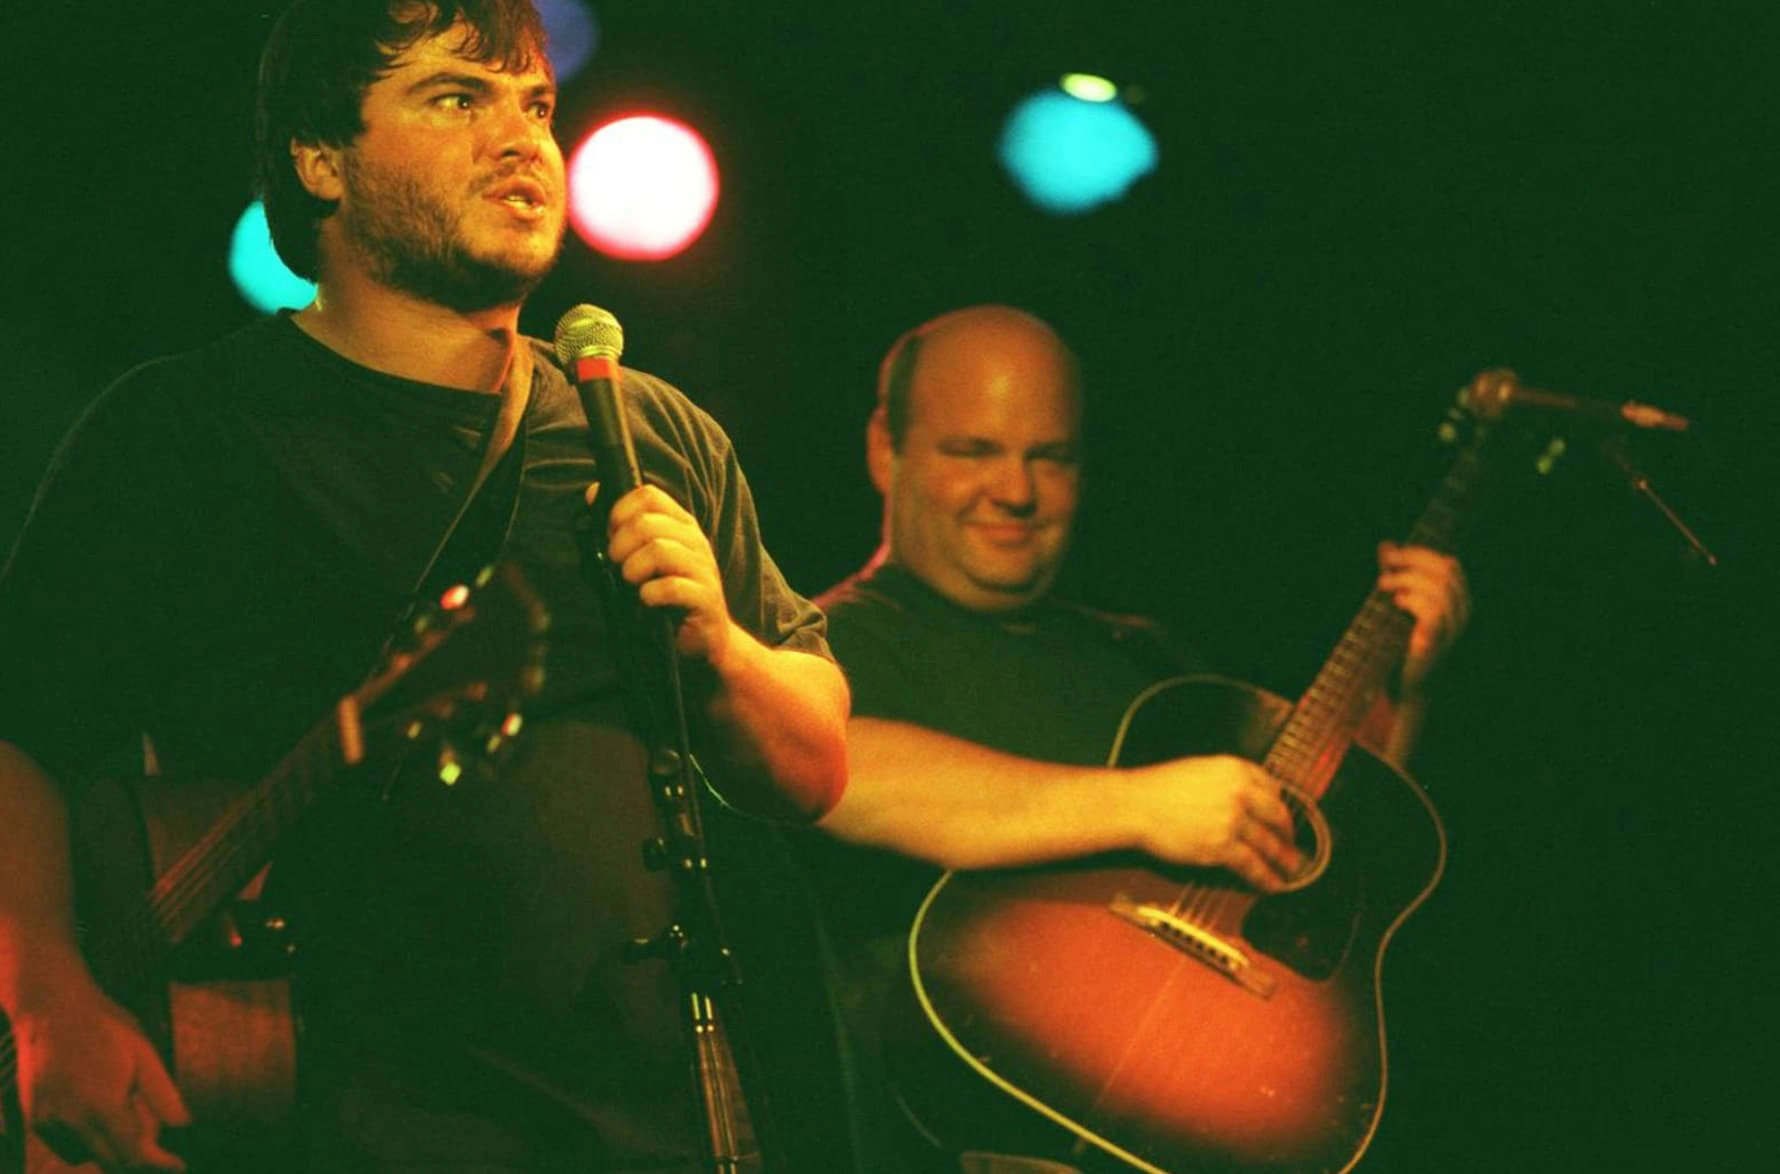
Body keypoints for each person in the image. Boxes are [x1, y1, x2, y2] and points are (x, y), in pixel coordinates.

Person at [0, 2, 850, 1172]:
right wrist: (51, 1001)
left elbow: (813, 768)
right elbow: (21, 738)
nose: (522, 139)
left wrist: (718, 647)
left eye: (537, 104)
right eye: (458, 97)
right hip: (306, 1116)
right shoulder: (179, 431)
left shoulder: (644, 430)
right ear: (320, 159)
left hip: (638, 1121)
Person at [801, 305, 1470, 1172]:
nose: (1015, 490)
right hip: (950, 1130)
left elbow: (1311, 868)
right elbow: (834, 767)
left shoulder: (1148, 658)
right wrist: (1144, 806)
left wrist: (1403, 689)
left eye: (1052, 457)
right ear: (883, 450)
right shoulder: (823, 643)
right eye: (973, 452)